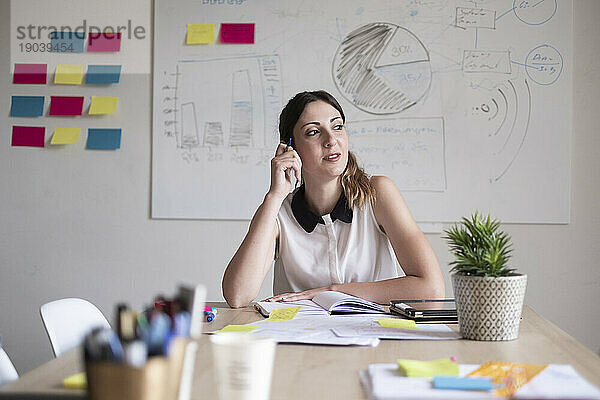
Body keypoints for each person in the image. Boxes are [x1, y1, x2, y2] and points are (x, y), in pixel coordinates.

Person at [222, 90, 444, 308]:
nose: (331, 140)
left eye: (337, 127)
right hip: (300, 340)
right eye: (313, 132)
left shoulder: (378, 193)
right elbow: (237, 295)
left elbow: (431, 291)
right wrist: (274, 195)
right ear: (291, 148)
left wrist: (334, 291)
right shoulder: (279, 211)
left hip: (374, 338)